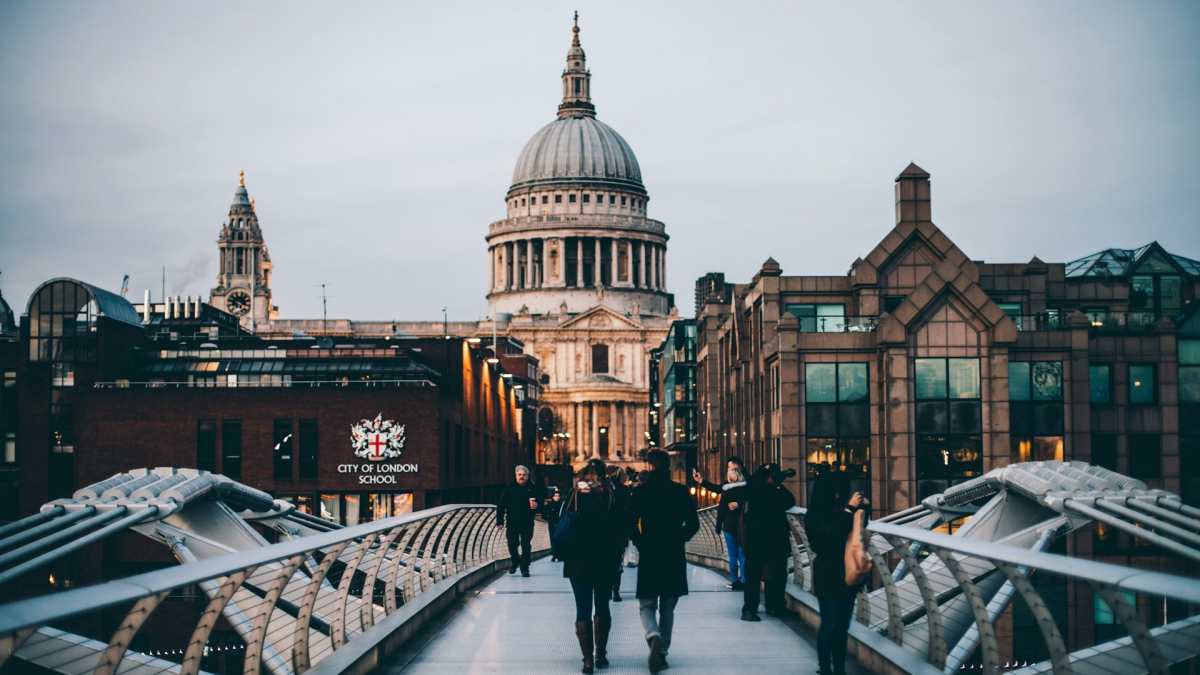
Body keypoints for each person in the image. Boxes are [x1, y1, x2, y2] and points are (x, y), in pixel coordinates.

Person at [628, 449, 700, 673]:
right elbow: (694, 524)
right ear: (668, 466)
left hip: (650, 553)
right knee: (668, 606)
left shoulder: (641, 492)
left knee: (646, 604)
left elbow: (629, 522)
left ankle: (653, 635)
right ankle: (662, 651)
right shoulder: (679, 491)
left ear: (650, 466)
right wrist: (680, 538)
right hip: (673, 553)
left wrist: (641, 542)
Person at [562, 459, 625, 673]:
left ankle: (587, 660)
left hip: (578, 561)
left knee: (582, 608)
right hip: (605, 560)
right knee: (602, 606)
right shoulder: (611, 495)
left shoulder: (574, 495)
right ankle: (601, 655)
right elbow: (621, 528)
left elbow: (560, 521)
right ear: (603, 475)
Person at [806, 472, 868, 675]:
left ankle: (839, 669)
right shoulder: (815, 514)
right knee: (830, 623)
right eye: (835, 491)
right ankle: (825, 668)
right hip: (827, 574)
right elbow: (825, 539)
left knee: (842, 626)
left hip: (847, 574)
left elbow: (858, 531)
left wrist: (862, 508)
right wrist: (849, 510)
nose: (838, 494)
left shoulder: (842, 510)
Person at [740, 463, 796, 621]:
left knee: (759, 574)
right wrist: (777, 486)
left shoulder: (753, 488)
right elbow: (789, 501)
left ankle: (753, 608)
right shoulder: (765, 490)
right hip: (770, 538)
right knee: (773, 573)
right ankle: (771, 606)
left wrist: (774, 484)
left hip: (758, 539)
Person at [693, 458, 748, 590]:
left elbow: (716, 489)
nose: (729, 471)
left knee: (733, 556)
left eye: (731, 468)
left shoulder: (727, 487)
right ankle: (744, 581)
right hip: (742, 525)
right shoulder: (746, 487)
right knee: (742, 555)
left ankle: (735, 581)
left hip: (730, 525)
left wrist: (701, 481)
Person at [496, 465, 544, 576]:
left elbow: (541, 502)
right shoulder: (509, 488)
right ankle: (515, 561)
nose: (521, 477)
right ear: (516, 475)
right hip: (512, 522)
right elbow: (501, 505)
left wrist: (537, 505)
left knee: (526, 545)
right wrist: (499, 521)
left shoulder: (533, 488)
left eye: (524, 475)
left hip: (527, 522)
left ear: (528, 476)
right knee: (512, 544)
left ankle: (524, 567)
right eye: (519, 475)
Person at [607, 466, 631, 602]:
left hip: (604, 532)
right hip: (620, 532)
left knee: (606, 562)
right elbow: (629, 511)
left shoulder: (603, 489)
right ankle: (616, 591)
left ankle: (607, 589)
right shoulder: (625, 490)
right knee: (617, 562)